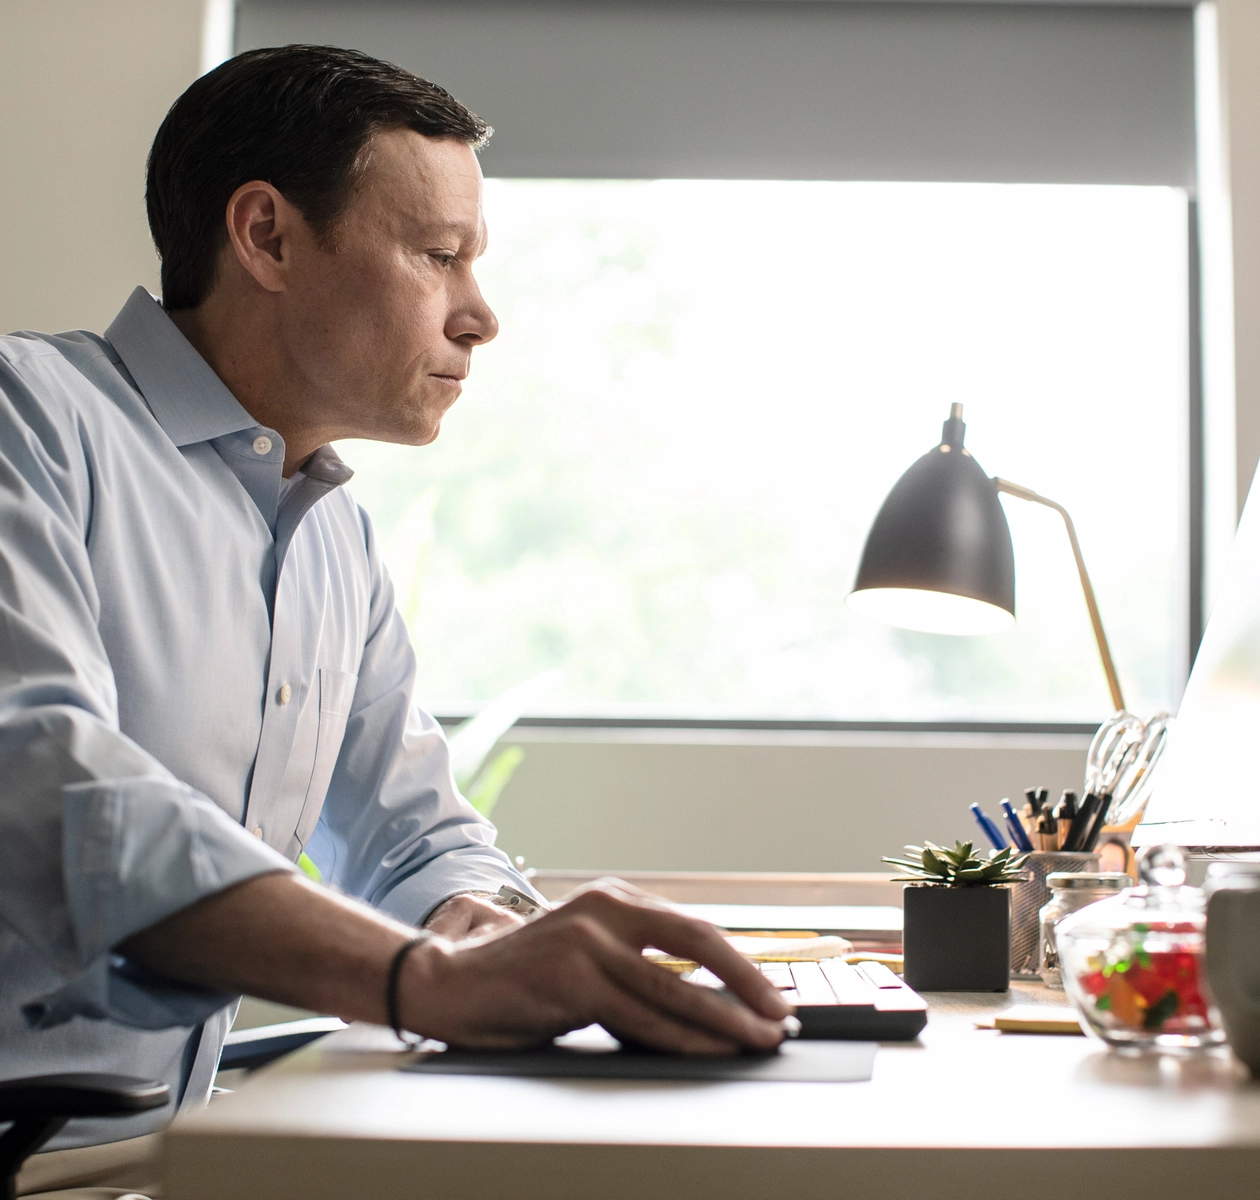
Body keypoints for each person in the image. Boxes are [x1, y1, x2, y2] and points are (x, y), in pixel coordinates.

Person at [0, 44, 791, 1199]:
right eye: (440, 255)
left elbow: (413, 833)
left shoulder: (329, 529)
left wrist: (482, 925)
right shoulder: (33, 421)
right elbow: (45, 781)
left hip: (162, 1156)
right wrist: (419, 979)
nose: (481, 316)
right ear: (266, 235)